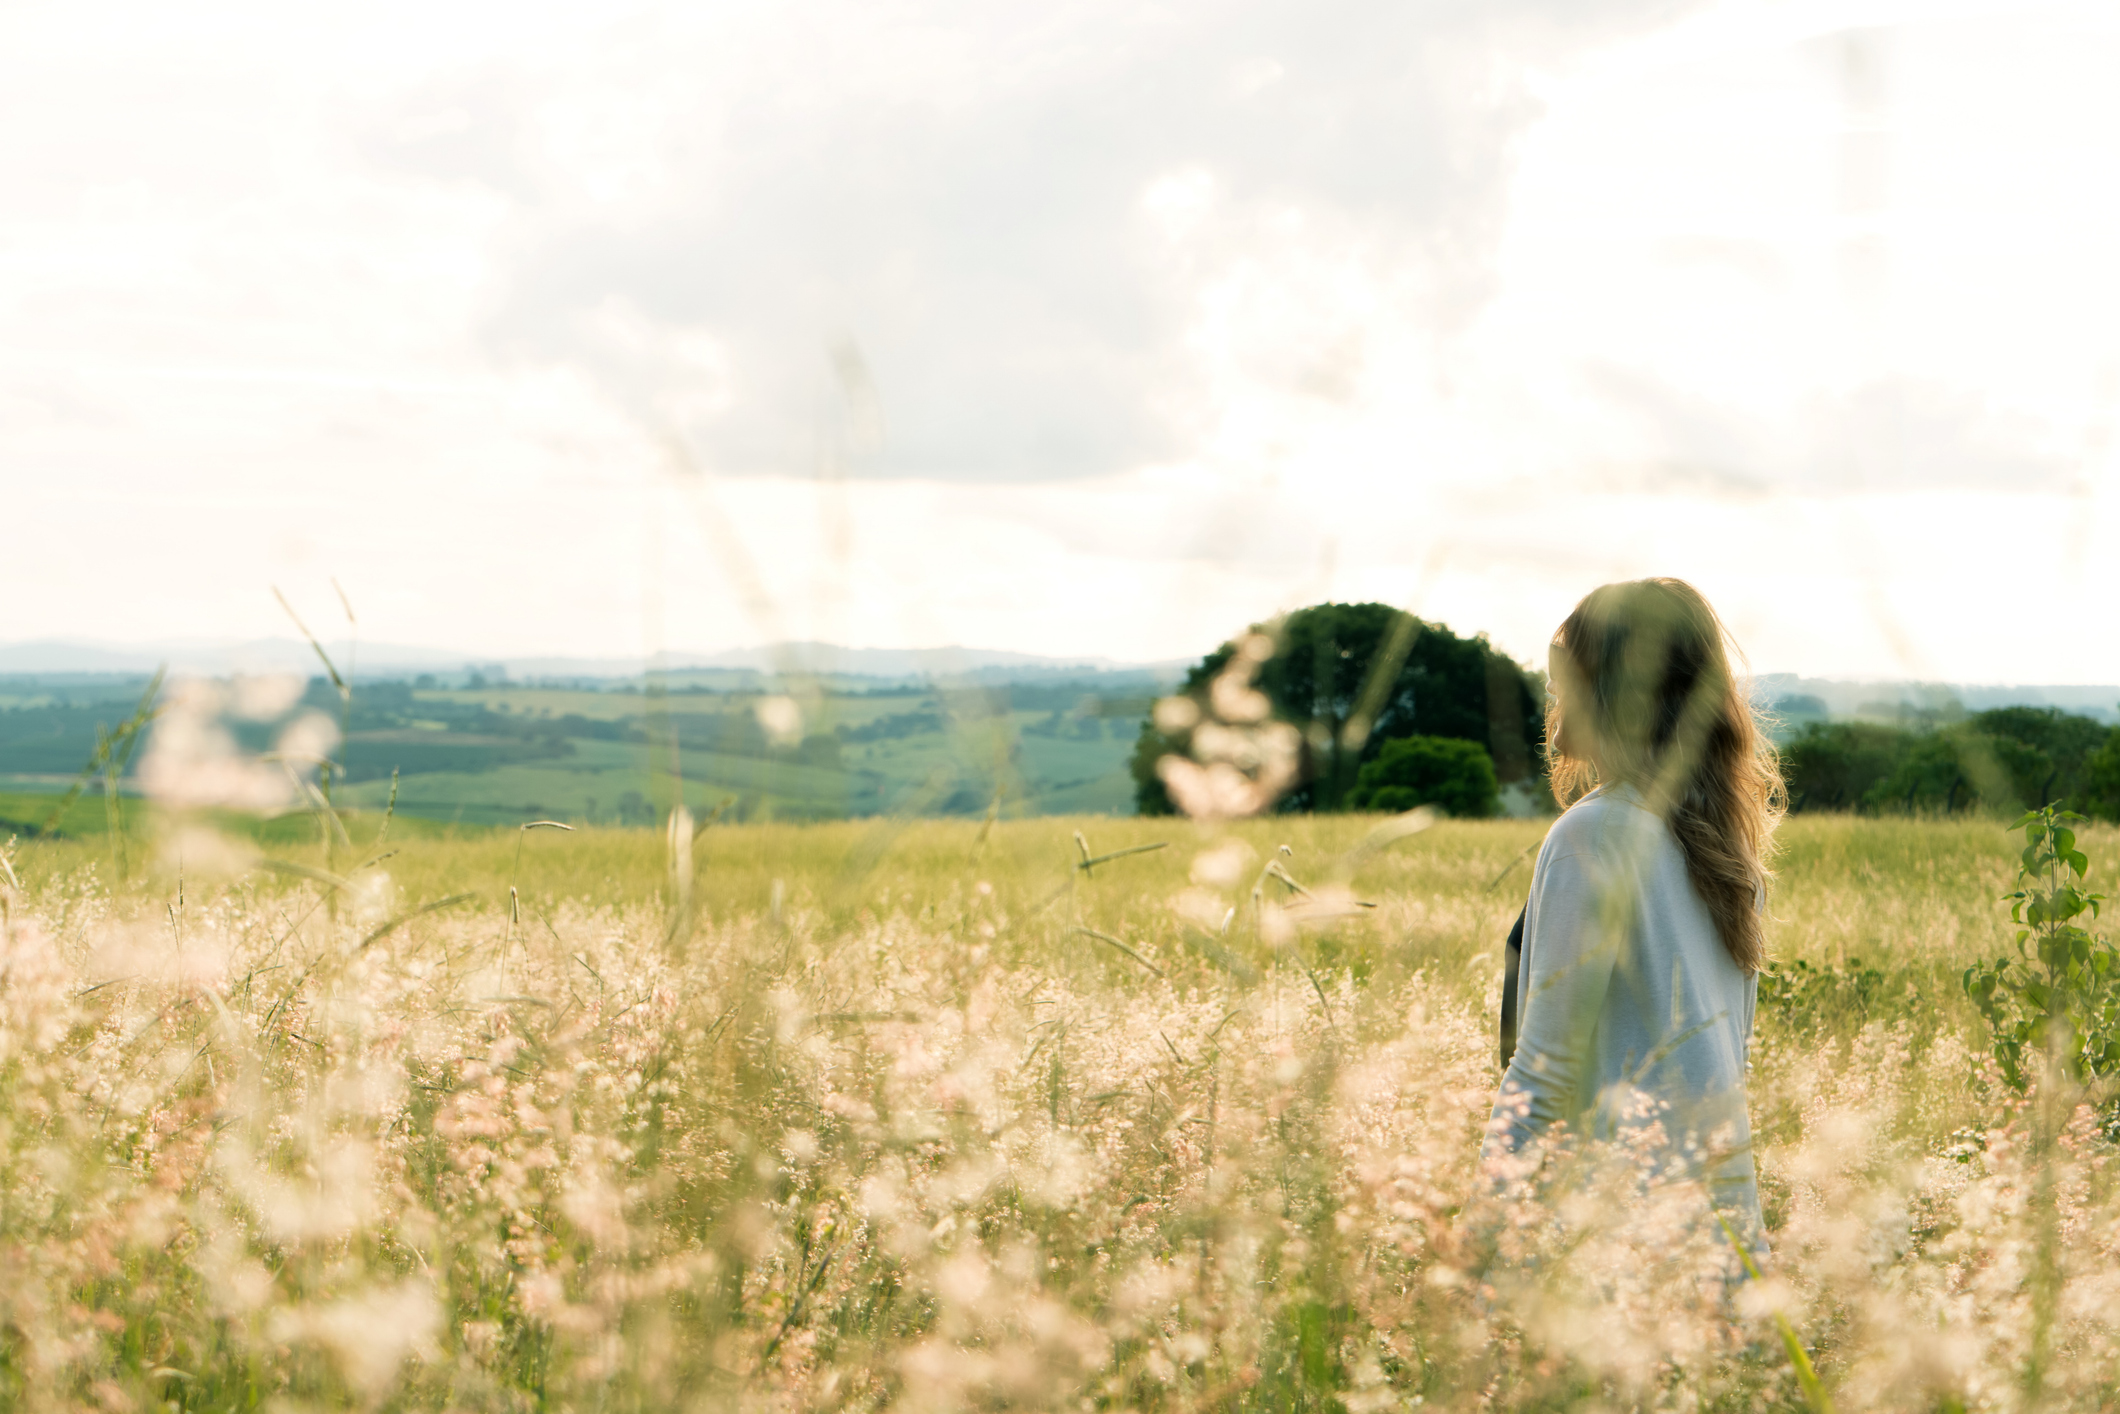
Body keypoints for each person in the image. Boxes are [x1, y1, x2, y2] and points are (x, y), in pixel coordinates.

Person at [1483, 578, 1782, 1246]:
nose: (1553, 709)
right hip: (1723, 1247)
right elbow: (1728, 1064)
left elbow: (1542, 1074)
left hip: (1621, 1255)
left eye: (1566, 686)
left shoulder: (1592, 837)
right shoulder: (1730, 857)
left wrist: (1475, 1250)